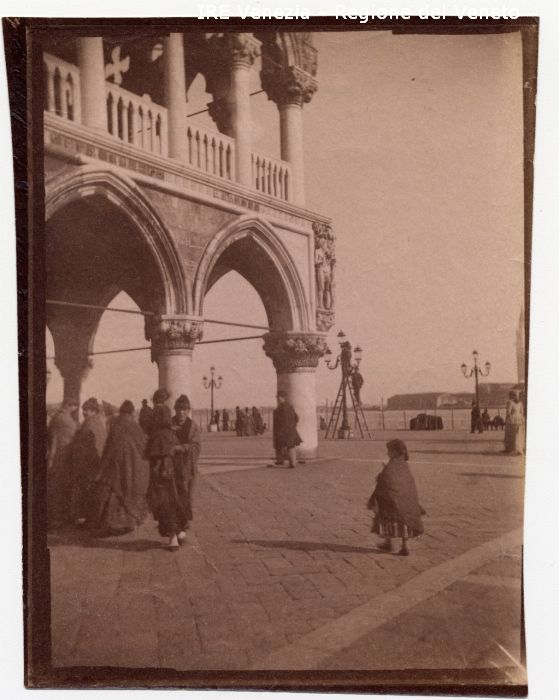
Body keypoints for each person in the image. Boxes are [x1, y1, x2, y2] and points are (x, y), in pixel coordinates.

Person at [88, 400, 149, 536]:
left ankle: (112, 524)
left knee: (114, 493)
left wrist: (104, 465)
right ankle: (128, 523)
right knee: (128, 492)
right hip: (131, 468)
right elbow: (144, 446)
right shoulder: (135, 426)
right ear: (132, 412)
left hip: (115, 466)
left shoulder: (115, 424)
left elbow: (108, 447)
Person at [367, 439, 424, 556]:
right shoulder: (404, 464)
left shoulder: (391, 465)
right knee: (404, 521)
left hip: (392, 500)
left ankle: (388, 542)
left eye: (389, 451)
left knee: (384, 512)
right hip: (407, 501)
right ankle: (404, 546)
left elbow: (386, 481)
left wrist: (380, 477)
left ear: (395, 452)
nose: (387, 453)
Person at [67, 397, 107, 525]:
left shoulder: (89, 423)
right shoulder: (99, 422)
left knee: (85, 490)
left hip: (88, 462)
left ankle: (84, 517)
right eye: (83, 410)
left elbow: (81, 445)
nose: (84, 412)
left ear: (94, 411)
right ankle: (91, 517)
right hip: (97, 460)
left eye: (87, 410)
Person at [170, 394, 201, 532]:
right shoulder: (170, 424)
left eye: (184, 410)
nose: (181, 412)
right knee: (173, 495)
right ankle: (175, 524)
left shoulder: (193, 426)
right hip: (172, 467)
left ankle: (184, 523)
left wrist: (182, 448)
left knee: (187, 495)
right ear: (175, 410)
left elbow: (196, 446)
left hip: (188, 468)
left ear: (188, 410)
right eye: (179, 409)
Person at [47, 398, 79, 527]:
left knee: (59, 487)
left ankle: (57, 517)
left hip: (58, 456)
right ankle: (56, 518)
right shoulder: (64, 419)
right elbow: (75, 433)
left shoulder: (58, 417)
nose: (75, 409)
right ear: (69, 405)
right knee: (59, 487)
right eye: (74, 406)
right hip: (61, 457)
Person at [272, 390, 301, 468]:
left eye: (278, 397)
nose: (277, 399)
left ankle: (281, 461)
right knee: (291, 446)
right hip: (291, 430)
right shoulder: (290, 407)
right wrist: (293, 426)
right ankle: (292, 462)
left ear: (281, 398)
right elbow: (296, 418)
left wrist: (280, 430)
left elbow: (280, 421)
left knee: (279, 445)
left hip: (283, 431)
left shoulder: (281, 408)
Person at [504, 391, 525, 455]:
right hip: (519, 419)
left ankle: (511, 449)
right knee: (518, 434)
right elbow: (522, 413)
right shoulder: (520, 403)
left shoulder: (510, 402)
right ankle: (519, 449)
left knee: (511, 434)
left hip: (512, 420)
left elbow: (508, 412)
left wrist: (507, 419)